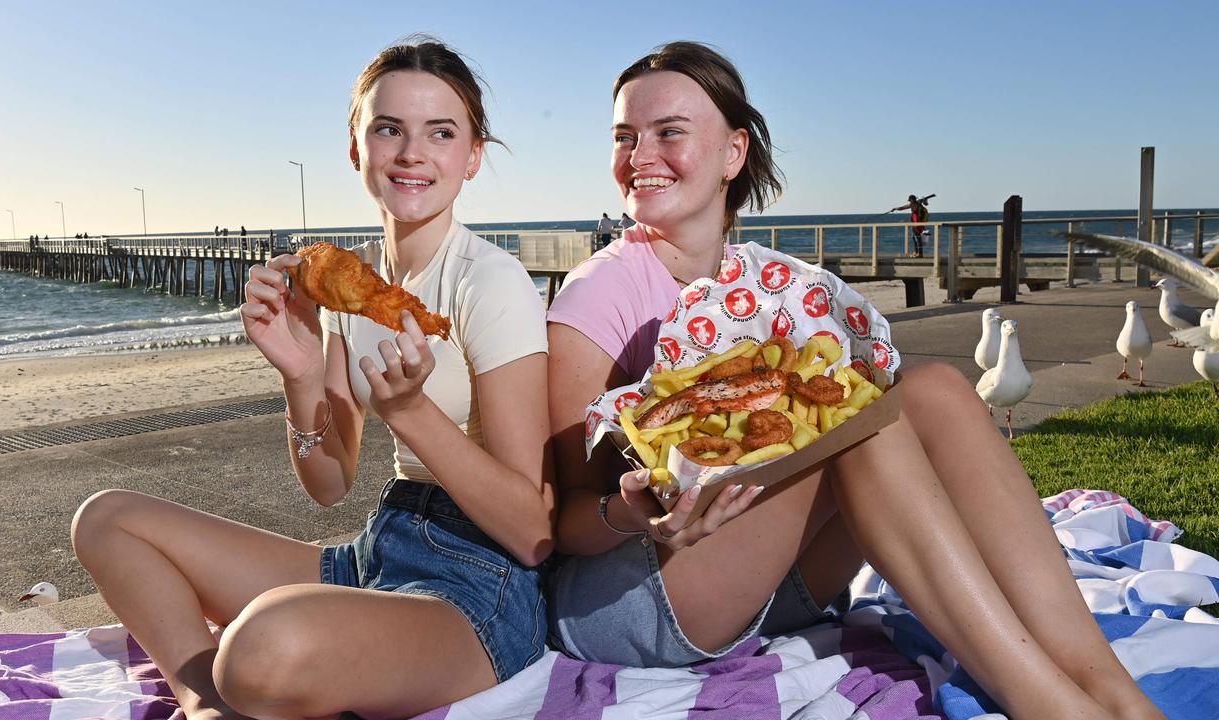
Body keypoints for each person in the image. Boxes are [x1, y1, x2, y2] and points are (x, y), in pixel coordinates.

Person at [545, 42, 1163, 720]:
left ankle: (1110, 691)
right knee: (863, 426)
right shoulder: (600, 292)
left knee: (934, 391)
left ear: (733, 153)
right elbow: (563, 522)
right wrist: (632, 510)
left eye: (668, 132)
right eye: (624, 137)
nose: (639, 157)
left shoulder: (767, 283)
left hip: (775, 584)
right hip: (637, 598)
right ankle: (1053, 707)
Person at [71, 39, 554, 720]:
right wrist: (298, 372)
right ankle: (206, 702)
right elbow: (329, 483)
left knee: (260, 647)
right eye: (389, 128)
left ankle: (235, 683)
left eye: (440, 132)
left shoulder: (490, 283)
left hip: (478, 588)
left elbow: (531, 528)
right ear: (357, 149)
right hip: (378, 548)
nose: (412, 152)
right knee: (106, 520)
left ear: (472, 155)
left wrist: (413, 413)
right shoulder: (347, 281)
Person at [890, 193, 933, 257]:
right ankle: (916, 252)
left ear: (912, 200)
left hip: (917, 222)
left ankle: (920, 254)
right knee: (914, 237)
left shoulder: (912, 204)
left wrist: (895, 209)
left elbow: (902, 208)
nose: (909, 202)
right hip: (918, 222)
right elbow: (926, 204)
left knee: (917, 237)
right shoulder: (918, 203)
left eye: (910, 200)